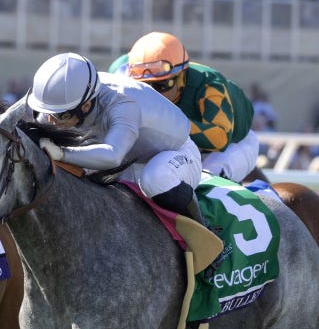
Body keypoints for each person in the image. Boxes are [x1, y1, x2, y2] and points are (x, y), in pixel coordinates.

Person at [26, 51, 206, 226]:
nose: (50, 121)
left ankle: (205, 235)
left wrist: (62, 153)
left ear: (86, 106)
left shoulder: (123, 104)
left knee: (155, 178)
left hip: (175, 154)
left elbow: (113, 156)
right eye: (48, 113)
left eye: (60, 116)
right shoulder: (75, 96)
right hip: (130, 158)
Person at [116, 31, 258, 183]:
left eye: (162, 85)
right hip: (185, 148)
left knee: (205, 179)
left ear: (182, 76)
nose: (153, 94)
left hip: (230, 146)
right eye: (144, 86)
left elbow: (220, 138)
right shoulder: (124, 82)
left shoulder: (209, 85)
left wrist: (168, 121)